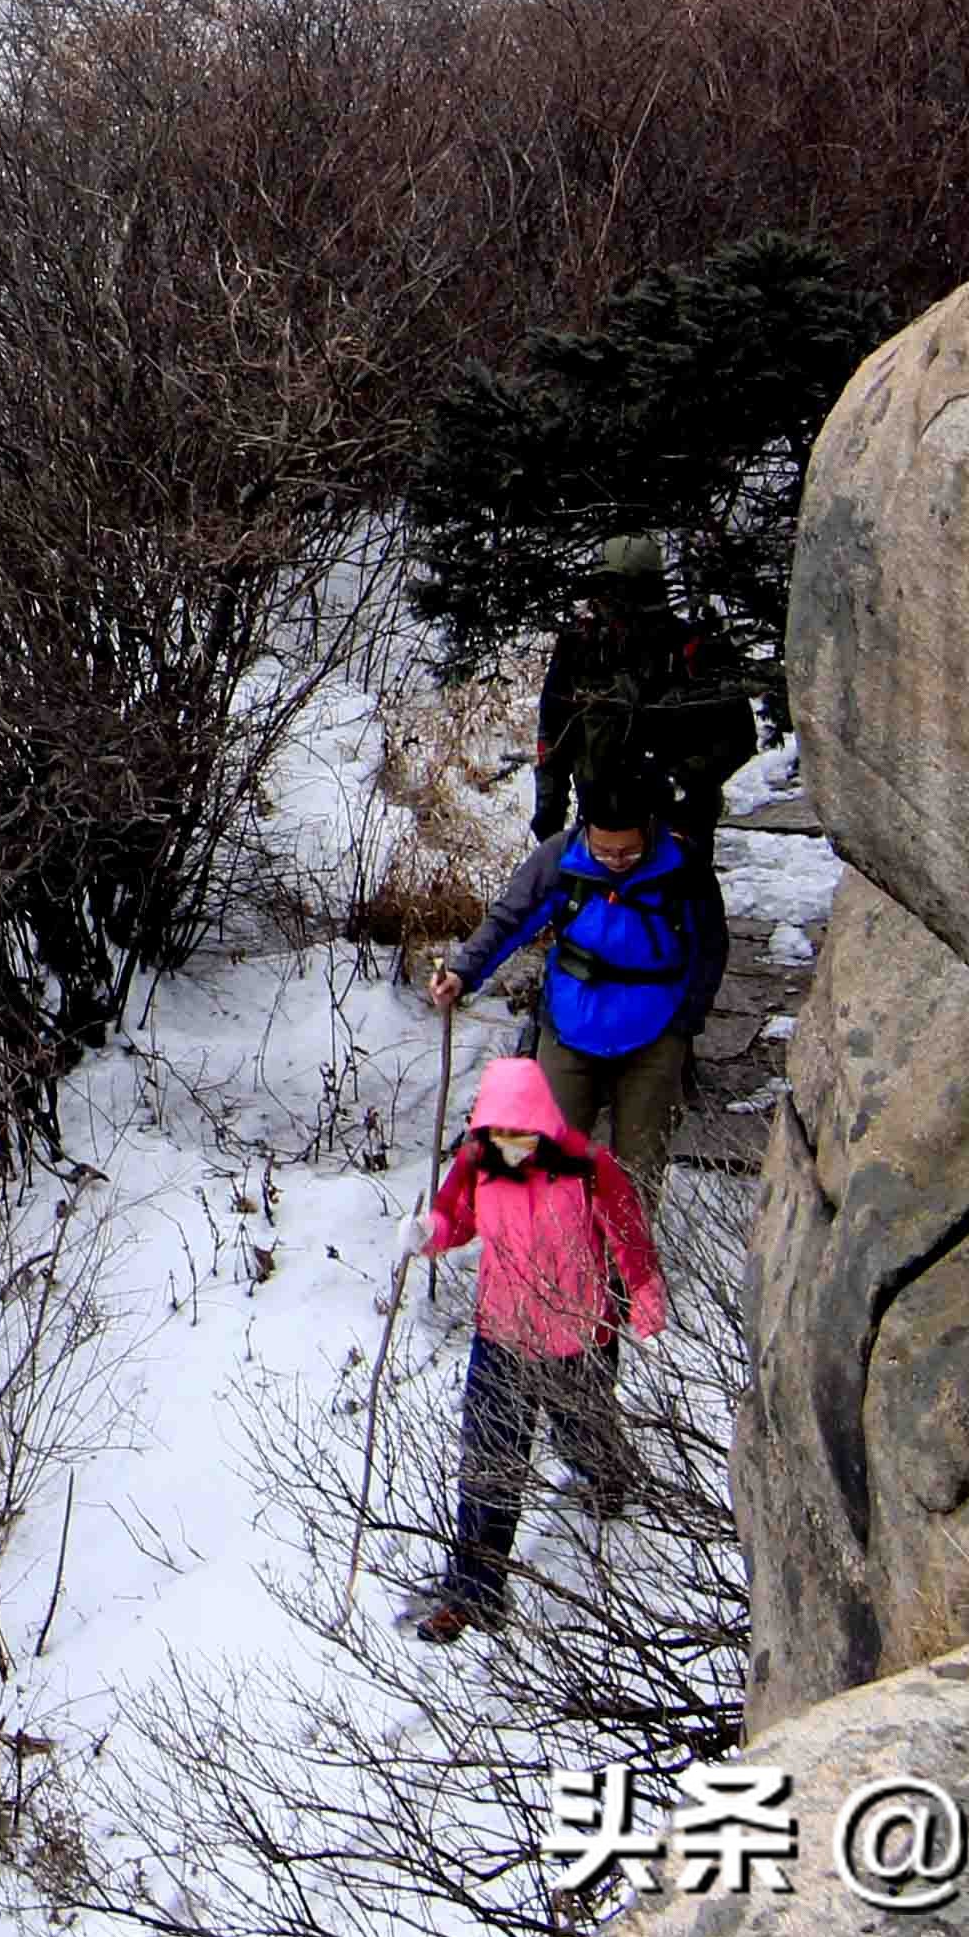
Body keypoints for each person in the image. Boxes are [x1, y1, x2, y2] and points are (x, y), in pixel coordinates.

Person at [399, 1053, 666, 1642]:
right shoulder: (478, 1163)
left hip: (577, 1335)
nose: (505, 1144)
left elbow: (628, 1235)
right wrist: (427, 1235)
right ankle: (474, 1591)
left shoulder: (589, 1169)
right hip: (502, 1335)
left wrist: (644, 1295)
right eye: (495, 1133)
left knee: (582, 1433)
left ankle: (607, 1480)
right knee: (489, 1461)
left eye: (516, 1134)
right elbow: (457, 1219)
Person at [426, 768, 728, 1210]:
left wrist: (686, 1021)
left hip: (655, 1031)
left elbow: (709, 948)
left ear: (648, 829)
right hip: (570, 1027)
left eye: (628, 851)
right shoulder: (559, 861)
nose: (616, 860)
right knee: (550, 1156)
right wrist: (463, 972)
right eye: (604, 851)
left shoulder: (683, 869)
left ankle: (622, 1275)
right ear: (585, 829)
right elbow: (511, 920)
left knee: (638, 1171)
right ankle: (555, 1264)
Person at [529, 533, 756, 857]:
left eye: (618, 590)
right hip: (601, 825)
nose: (608, 602)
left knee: (683, 906)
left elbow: (739, 737)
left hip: (679, 826)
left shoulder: (694, 649)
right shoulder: (580, 649)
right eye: (605, 591)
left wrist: (678, 778)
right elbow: (553, 731)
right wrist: (549, 807)